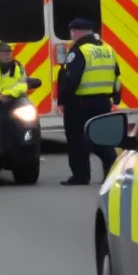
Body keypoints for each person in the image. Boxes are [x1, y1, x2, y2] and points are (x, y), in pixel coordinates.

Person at [57, 18, 121, 185]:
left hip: (80, 103)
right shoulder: (107, 49)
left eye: (72, 32)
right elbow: (117, 76)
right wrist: (116, 98)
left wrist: (62, 101)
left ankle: (81, 176)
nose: (71, 35)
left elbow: (71, 79)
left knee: (77, 139)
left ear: (77, 32)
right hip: (103, 102)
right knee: (102, 136)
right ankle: (111, 170)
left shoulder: (79, 51)